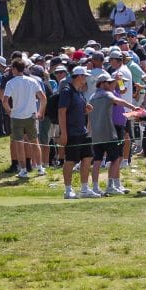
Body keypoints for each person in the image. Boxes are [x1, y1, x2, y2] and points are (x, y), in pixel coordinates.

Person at [1, 57, 47, 178]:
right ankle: (40, 168)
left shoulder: (11, 83)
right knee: (34, 142)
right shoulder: (32, 81)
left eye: (12, 68)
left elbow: (4, 101)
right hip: (31, 116)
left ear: (15, 69)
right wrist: (40, 112)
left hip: (17, 117)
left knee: (19, 143)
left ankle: (23, 170)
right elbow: (43, 98)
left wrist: (9, 112)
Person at [56, 67, 97, 198]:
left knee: (87, 158)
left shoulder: (79, 92)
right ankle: (68, 190)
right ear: (79, 76)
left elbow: (76, 110)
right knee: (71, 160)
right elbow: (62, 112)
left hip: (82, 131)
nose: (86, 79)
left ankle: (84, 189)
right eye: (84, 76)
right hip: (72, 132)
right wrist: (64, 133)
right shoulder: (67, 91)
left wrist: (86, 110)